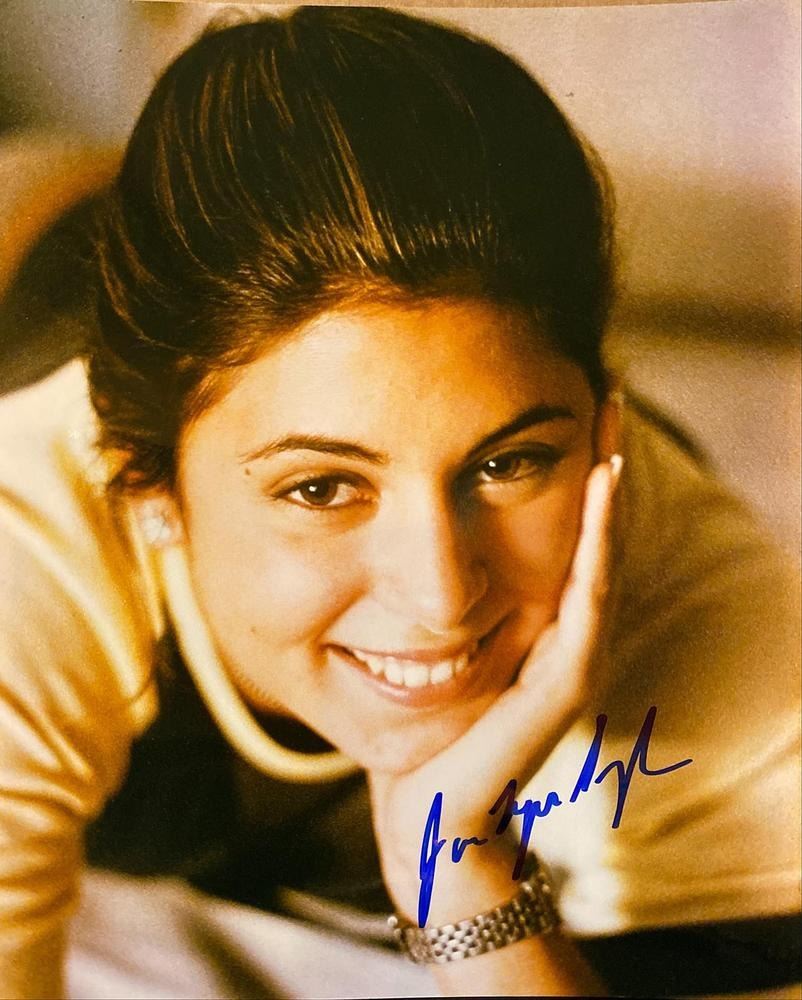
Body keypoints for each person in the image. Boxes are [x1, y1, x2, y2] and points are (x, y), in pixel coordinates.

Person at [0, 7, 799, 998]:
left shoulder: (711, 619)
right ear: (148, 481)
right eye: (322, 487)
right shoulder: (32, 544)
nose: (439, 596)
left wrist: (461, 878)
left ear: (605, 429)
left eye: (509, 463)